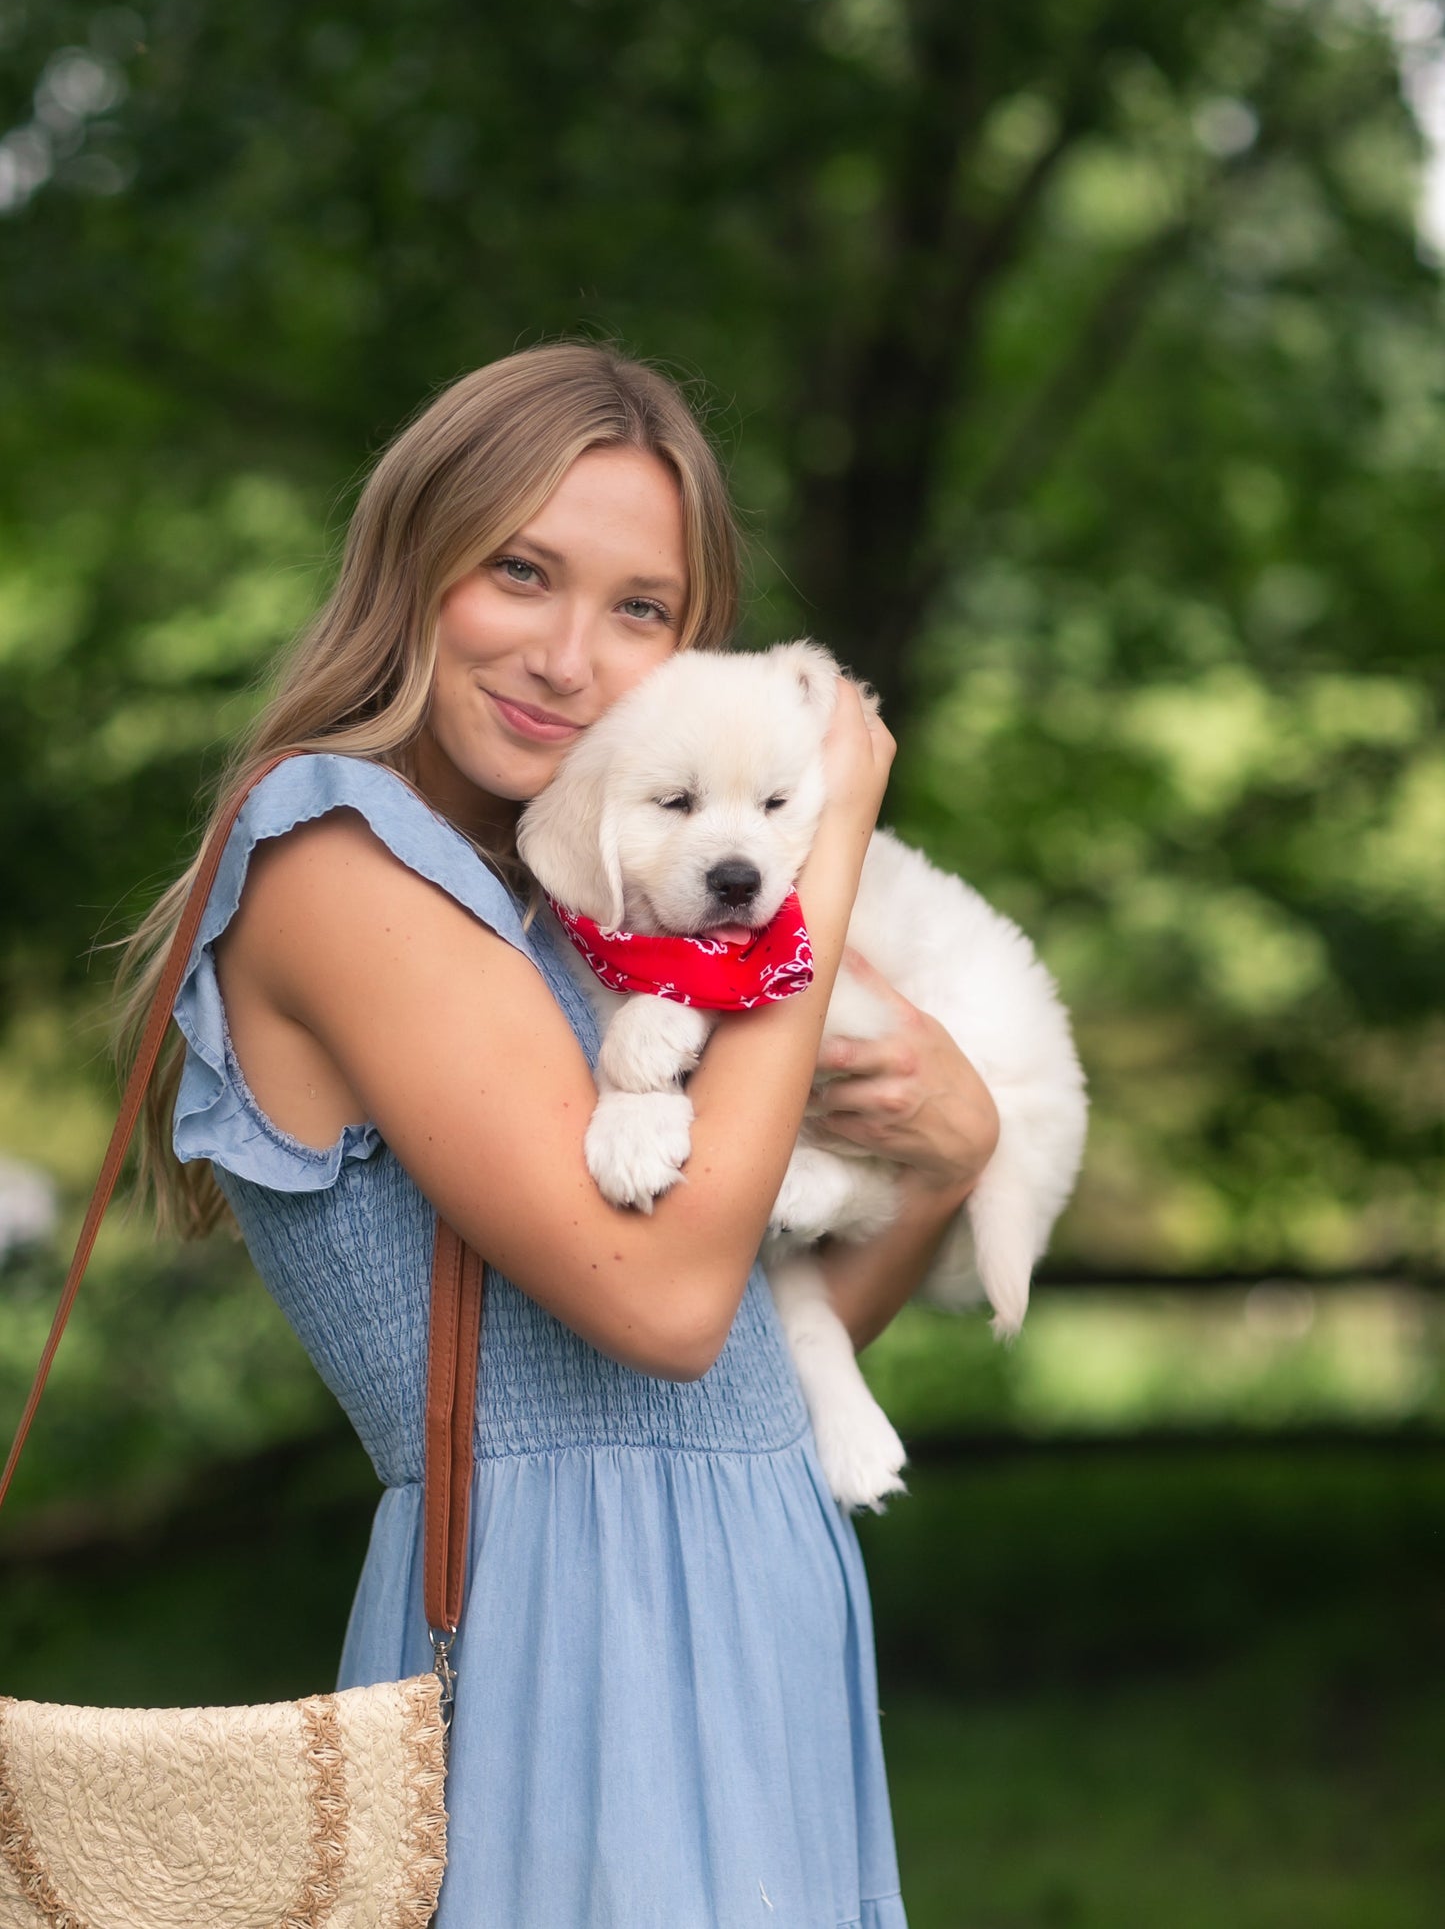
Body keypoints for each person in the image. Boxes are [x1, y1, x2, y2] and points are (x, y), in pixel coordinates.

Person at [112, 342, 1000, 1927]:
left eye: (640, 608)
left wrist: (940, 1158)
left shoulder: (569, 909)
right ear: (414, 563)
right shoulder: (334, 846)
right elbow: (656, 1307)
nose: (571, 657)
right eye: (519, 572)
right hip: (566, 1642)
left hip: (760, 1598)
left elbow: (728, 1364)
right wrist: (831, 830)